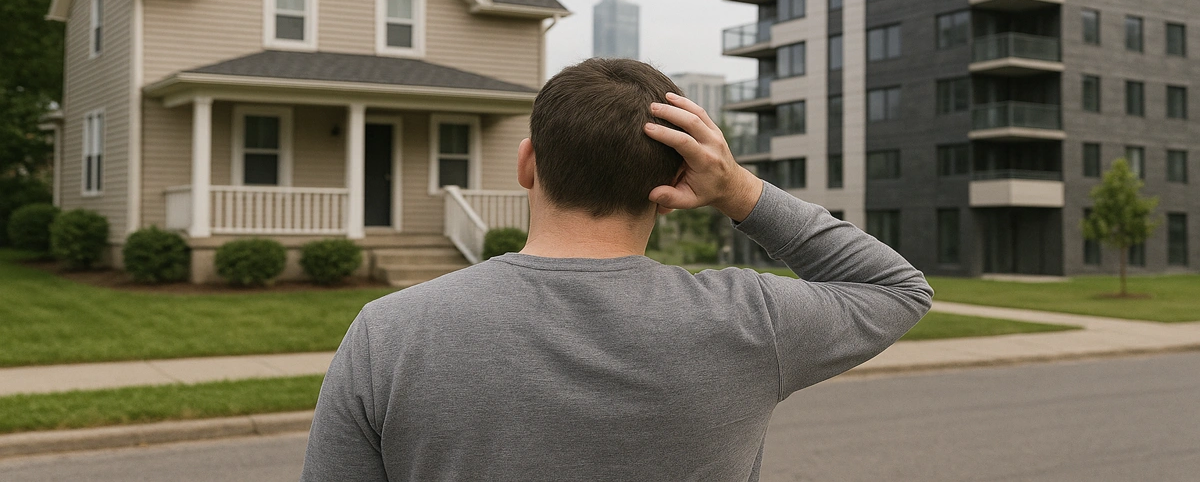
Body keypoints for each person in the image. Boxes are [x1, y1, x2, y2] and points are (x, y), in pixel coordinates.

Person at [301, 58, 933, 481]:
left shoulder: (390, 333)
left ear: (527, 164)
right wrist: (738, 189)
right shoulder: (751, 322)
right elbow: (896, 288)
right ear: (677, 179)